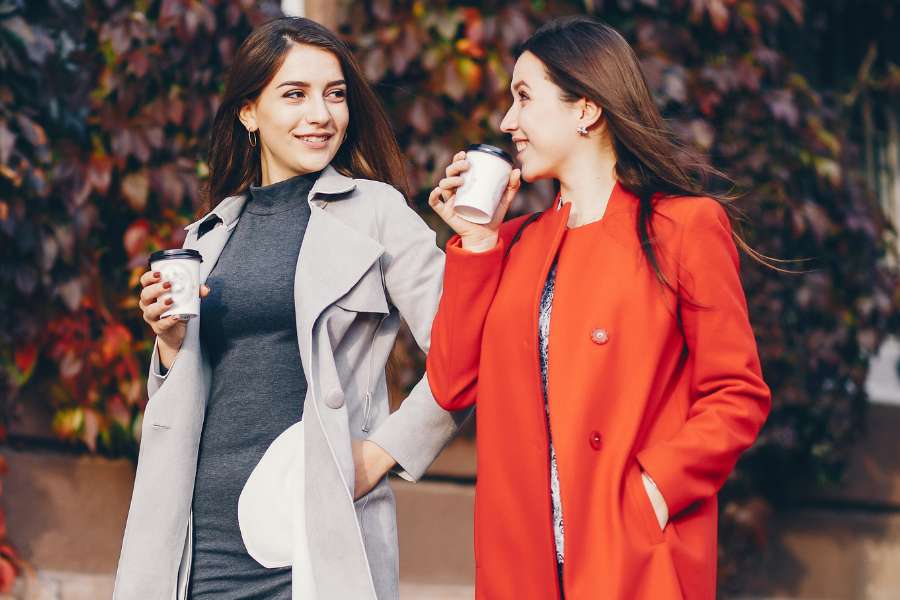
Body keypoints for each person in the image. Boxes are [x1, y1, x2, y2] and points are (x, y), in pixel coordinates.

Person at [115, 16, 463, 600]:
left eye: (335, 95)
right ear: (248, 112)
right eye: (294, 95)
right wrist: (171, 343)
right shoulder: (206, 237)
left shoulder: (375, 213)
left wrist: (378, 456)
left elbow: (465, 349)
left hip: (311, 536)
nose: (320, 115)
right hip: (194, 538)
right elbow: (189, 394)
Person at [427, 16, 772, 600]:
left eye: (524, 98)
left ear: (585, 109)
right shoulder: (510, 244)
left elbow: (737, 394)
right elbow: (452, 385)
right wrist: (477, 243)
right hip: (522, 568)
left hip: (631, 561)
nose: (508, 121)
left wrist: (653, 490)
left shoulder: (683, 227)